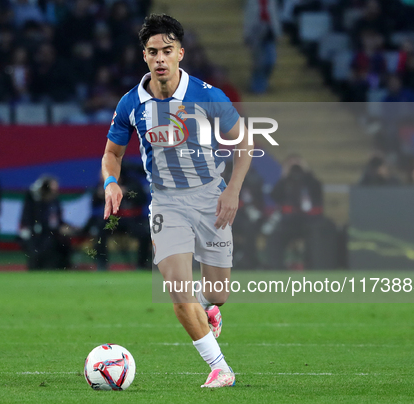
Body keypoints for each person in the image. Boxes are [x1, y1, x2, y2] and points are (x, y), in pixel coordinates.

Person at [101, 14, 254, 388]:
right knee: (177, 289)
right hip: (166, 204)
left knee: (218, 292)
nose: (160, 59)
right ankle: (219, 367)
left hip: (210, 200)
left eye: (167, 51)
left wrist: (232, 191)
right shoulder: (130, 104)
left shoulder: (208, 95)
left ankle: (209, 308)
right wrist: (110, 182)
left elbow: (245, 144)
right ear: (144, 56)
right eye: (153, 51)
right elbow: (112, 154)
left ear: (180, 54)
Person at [19, 175, 73, 269]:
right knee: (44, 244)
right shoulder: (35, 202)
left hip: (53, 234)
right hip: (39, 235)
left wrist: (65, 228)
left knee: (64, 243)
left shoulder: (55, 202)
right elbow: (33, 221)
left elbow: (58, 221)